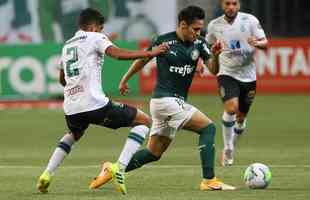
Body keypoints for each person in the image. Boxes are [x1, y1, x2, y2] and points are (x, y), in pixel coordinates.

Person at [90, 5, 236, 193]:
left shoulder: (199, 44)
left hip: (169, 104)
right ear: (183, 24)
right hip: (166, 101)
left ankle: (113, 169)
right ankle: (209, 180)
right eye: (196, 29)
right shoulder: (164, 41)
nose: (198, 33)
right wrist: (125, 79)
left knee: (154, 153)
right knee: (208, 128)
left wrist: (216, 55)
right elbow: (143, 59)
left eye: (200, 29)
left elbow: (214, 69)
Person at [36, 8, 168, 194]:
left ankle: (47, 173)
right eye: (100, 28)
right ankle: (119, 168)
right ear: (93, 27)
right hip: (94, 103)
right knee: (144, 121)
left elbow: (62, 79)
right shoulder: (94, 38)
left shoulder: (67, 45)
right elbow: (117, 54)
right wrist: (149, 54)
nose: (102, 32)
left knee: (74, 134)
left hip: (72, 107)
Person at [206, 0, 268, 166]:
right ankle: (228, 148)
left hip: (249, 77)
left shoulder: (250, 21)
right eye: (227, 3)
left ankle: (232, 143)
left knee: (241, 118)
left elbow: (265, 42)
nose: (231, 7)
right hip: (227, 73)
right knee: (231, 109)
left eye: (234, 3)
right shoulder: (214, 26)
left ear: (239, 5)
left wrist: (257, 43)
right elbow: (208, 47)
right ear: (222, 5)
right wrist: (212, 54)